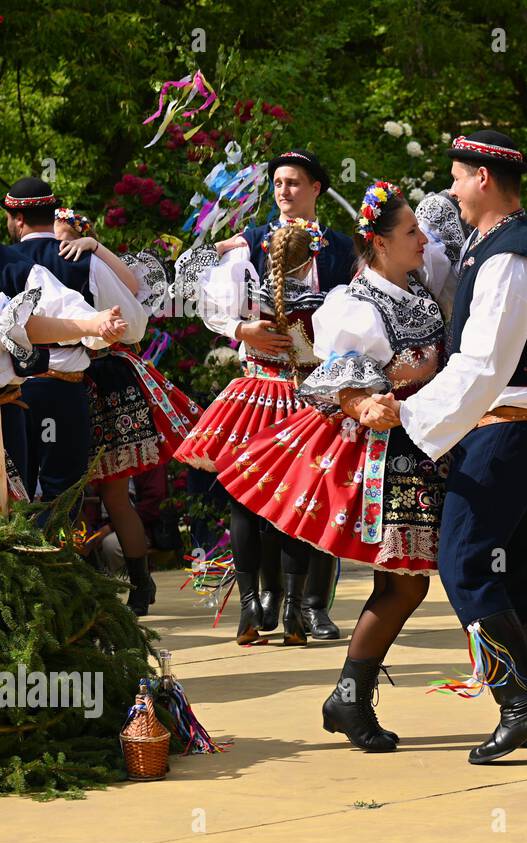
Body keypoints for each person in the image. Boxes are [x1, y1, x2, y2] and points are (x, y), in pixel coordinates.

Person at [375, 130, 527, 761]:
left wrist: (409, 413)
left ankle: (523, 705)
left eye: (458, 176)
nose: (452, 189)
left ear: (484, 180)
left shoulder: (510, 255)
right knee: (515, 572)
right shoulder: (492, 247)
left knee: (466, 563)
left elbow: (485, 363)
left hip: (513, 430)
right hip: (526, 430)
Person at [217, 182, 452, 752]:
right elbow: (333, 375)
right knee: (404, 583)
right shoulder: (354, 304)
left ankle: (352, 695)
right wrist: (362, 401)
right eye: (411, 233)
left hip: (428, 443)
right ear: (377, 242)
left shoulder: (418, 290)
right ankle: (350, 695)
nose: (423, 241)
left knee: (414, 584)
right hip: (385, 456)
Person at [207, 150, 355, 641]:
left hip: (317, 391)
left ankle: (309, 605)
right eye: (277, 182)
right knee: (248, 494)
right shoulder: (250, 241)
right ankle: (262, 603)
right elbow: (211, 298)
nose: (284, 191)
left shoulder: (339, 248)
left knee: (314, 492)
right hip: (260, 389)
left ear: (317, 188)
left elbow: (361, 311)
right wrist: (243, 329)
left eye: (294, 182)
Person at [175, 218, 338, 645]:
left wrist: (241, 331)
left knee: (243, 503)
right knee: (294, 508)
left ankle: (249, 606)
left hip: (249, 402)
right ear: (312, 258)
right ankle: (294, 613)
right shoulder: (326, 302)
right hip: (300, 405)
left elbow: (193, 278)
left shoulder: (247, 295)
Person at [53, 208, 202, 615]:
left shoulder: (91, 265)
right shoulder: (75, 265)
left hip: (103, 378)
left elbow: (133, 314)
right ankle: (107, 583)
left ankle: (139, 581)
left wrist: (97, 250)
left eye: (66, 236)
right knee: (72, 491)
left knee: (110, 492)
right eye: (56, 236)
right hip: (83, 378)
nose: (61, 245)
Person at [4, 177, 146, 517]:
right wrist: (97, 325)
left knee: (16, 496)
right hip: (61, 390)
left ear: (17, 218)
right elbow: (134, 324)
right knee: (61, 491)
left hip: (15, 391)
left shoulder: (6, 260)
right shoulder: (80, 258)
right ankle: (56, 563)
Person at [0, 276, 128, 511]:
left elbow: (20, 327)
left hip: (16, 400)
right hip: (49, 393)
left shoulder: (22, 267)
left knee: (22, 502)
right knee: (58, 491)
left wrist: (93, 326)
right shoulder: (27, 268)